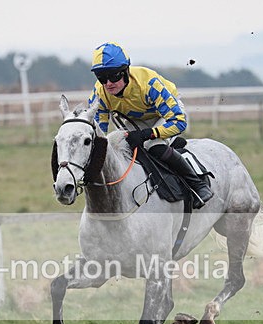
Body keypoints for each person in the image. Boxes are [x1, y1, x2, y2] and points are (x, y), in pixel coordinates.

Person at [87, 42, 213, 208]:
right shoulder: (99, 93)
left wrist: (148, 134)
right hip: (135, 120)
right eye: (102, 77)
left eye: (114, 76)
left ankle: (198, 184)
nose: (108, 83)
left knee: (154, 145)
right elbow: (98, 134)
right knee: (117, 147)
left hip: (167, 115)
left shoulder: (149, 84)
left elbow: (179, 122)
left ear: (126, 71)